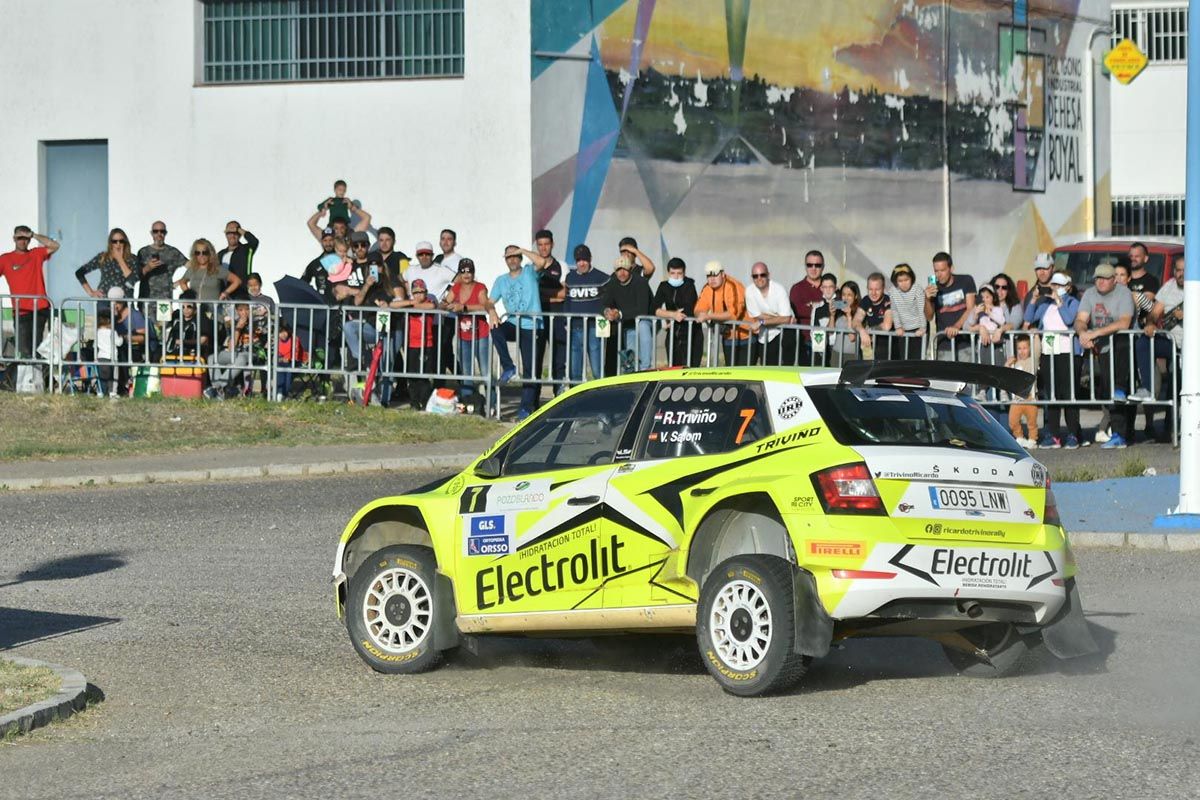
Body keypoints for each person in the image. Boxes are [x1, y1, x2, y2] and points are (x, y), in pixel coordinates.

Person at [1075, 263, 1135, 448]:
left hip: (1126, 346)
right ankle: (1119, 434)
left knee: (1123, 391)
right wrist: (1083, 333)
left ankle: (1124, 433)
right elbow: (1080, 320)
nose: (1100, 282)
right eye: (1097, 278)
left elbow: (1124, 323)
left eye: (1105, 278)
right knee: (1112, 393)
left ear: (1114, 280)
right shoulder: (1090, 294)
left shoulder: (1124, 293)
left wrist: (1094, 333)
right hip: (1104, 347)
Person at [489, 244, 545, 421]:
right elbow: (490, 301)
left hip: (532, 326)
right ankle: (508, 366)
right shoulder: (501, 280)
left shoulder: (529, 272)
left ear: (520, 258)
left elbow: (541, 261)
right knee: (495, 328)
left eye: (515, 256)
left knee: (530, 369)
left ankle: (525, 408)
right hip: (513, 323)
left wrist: (521, 250)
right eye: (509, 257)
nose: (512, 260)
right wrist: (491, 311)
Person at [1027, 271, 1082, 449]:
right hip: (1049, 352)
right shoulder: (1046, 305)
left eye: (1059, 286)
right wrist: (1034, 299)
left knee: (1069, 394)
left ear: (1068, 287)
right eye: (1053, 286)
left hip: (1068, 353)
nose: (1055, 289)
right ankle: (1054, 435)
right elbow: (1028, 319)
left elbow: (1068, 319)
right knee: (1052, 394)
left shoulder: (1074, 303)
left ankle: (1073, 434)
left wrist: (1059, 302)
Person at [1135, 255, 1184, 440]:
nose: (1181, 274)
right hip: (1172, 342)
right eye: (1178, 270)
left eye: (1184, 270)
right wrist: (1150, 324)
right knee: (1143, 342)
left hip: (1193, 347)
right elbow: (1154, 311)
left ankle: (1173, 428)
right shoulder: (1169, 287)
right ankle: (1147, 388)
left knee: (1178, 383)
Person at [0, 225, 59, 363]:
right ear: (14, 239)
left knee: (35, 349)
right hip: (21, 311)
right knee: (24, 350)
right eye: (20, 238)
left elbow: (55, 245)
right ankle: (27, 381)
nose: (23, 241)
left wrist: (33, 234)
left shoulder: (35, 254)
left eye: (25, 238)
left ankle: (37, 380)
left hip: (40, 308)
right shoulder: (5, 259)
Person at [441, 258, 492, 410]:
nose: (466, 274)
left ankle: (491, 404)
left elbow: (484, 306)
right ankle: (468, 404)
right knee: (466, 373)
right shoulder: (456, 287)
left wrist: (464, 307)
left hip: (480, 335)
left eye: (469, 270)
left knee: (484, 372)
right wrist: (446, 305)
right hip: (463, 336)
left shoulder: (480, 287)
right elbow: (443, 302)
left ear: (473, 272)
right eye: (463, 271)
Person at [600, 253, 655, 374]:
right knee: (631, 359)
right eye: (618, 270)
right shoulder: (613, 283)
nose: (621, 273)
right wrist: (607, 312)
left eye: (624, 269)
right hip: (627, 325)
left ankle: (646, 368)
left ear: (630, 269)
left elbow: (642, 310)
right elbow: (603, 303)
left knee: (642, 326)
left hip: (644, 321)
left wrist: (619, 314)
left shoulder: (640, 282)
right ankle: (633, 373)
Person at [565, 244, 610, 381]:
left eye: (584, 260)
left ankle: (600, 394)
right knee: (575, 369)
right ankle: (577, 396)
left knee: (597, 368)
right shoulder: (570, 277)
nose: (582, 263)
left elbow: (610, 300)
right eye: (578, 260)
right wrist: (566, 322)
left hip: (595, 327)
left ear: (590, 259)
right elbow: (567, 301)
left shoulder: (602, 278)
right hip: (575, 327)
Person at [694, 260, 749, 366]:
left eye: (715, 275)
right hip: (727, 336)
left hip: (746, 336)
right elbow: (698, 309)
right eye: (709, 276)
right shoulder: (707, 288)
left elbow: (733, 314)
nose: (712, 279)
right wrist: (701, 315)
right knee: (731, 373)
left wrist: (708, 316)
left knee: (745, 375)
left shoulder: (733, 285)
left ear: (723, 274)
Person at [652, 256, 701, 368]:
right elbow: (654, 309)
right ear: (668, 273)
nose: (676, 276)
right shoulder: (663, 286)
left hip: (691, 333)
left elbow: (688, 310)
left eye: (679, 273)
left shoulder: (689, 285)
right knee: (674, 368)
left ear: (684, 273)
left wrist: (668, 315)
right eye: (673, 273)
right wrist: (672, 315)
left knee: (690, 368)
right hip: (673, 333)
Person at [206, 302, 262, 399]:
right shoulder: (234, 323)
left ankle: (218, 387)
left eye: (247, 309)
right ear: (237, 311)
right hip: (235, 353)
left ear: (251, 309)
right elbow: (231, 347)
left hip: (252, 353)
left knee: (242, 358)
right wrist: (238, 329)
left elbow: (260, 343)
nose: (244, 313)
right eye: (241, 310)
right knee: (212, 357)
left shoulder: (257, 322)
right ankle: (218, 388)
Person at [927, 251, 975, 361]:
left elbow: (971, 308)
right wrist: (927, 299)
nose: (939, 274)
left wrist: (956, 326)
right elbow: (929, 316)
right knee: (945, 378)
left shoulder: (966, 280)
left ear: (951, 268)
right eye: (936, 271)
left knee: (967, 378)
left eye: (942, 270)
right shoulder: (934, 288)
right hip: (944, 345)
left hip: (966, 343)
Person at [744, 262, 793, 365]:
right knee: (767, 369)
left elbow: (786, 319)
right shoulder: (749, 291)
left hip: (785, 334)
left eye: (763, 275)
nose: (759, 278)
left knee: (785, 369)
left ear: (768, 275)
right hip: (765, 336)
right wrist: (779, 318)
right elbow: (757, 315)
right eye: (755, 276)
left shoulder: (779, 289)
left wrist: (762, 322)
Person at [401, 278, 438, 410]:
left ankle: (425, 401)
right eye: (416, 292)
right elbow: (392, 305)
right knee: (412, 374)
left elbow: (432, 307)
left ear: (426, 292)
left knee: (424, 375)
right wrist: (411, 303)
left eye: (421, 292)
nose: (418, 295)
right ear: (411, 293)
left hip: (426, 343)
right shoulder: (409, 302)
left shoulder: (429, 301)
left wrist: (412, 305)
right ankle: (414, 401)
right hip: (411, 343)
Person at [788, 250, 827, 364]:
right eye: (810, 265)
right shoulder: (797, 288)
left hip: (828, 341)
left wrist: (812, 306)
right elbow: (798, 310)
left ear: (823, 267)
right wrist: (823, 307)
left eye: (818, 265)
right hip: (805, 341)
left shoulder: (830, 287)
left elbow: (839, 306)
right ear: (805, 267)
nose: (813, 268)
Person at [136, 221, 187, 309]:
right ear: (151, 233)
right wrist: (147, 268)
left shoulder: (173, 252)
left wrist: (182, 281)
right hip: (146, 301)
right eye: (156, 231)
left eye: (162, 231)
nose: (159, 234)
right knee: (145, 323)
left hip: (165, 301)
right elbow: (135, 276)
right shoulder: (143, 252)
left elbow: (192, 266)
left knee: (164, 323)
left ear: (165, 233)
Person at [75, 228, 138, 298]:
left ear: (125, 242)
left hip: (125, 301)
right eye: (115, 241)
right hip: (105, 301)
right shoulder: (103, 257)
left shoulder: (132, 259)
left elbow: (132, 281)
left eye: (121, 241)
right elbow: (79, 273)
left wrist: (120, 259)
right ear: (110, 243)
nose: (118, 244)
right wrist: (91, 292)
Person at [176, 238, 240, 303]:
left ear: (210, 253)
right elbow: (182, 282)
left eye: (204, 252)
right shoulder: (192, 269)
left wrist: (225, 293)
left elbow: (237, 281)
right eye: (197, 253)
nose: (201, 255)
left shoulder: (217, 269)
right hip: (197, 310)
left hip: (212, 310)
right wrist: (189, 295)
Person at [886, 263, 929, 360]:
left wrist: (923, 328)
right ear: (896, 281)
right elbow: (895, 310)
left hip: (918, 327)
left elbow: (921, 309)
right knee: (904, 357)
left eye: (906, 280)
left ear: (911, 278)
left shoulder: (917, 289)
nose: (904, 283)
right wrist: (898, 327)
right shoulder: (893, 291)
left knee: (917, 358)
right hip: (903, 329)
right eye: (900, 281)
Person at [1005, 335, 1039, 448]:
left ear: (1029, 349)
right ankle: (1019, 437)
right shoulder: (1015, 363)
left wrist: (1036, 337)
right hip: (1017, 399)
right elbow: (1006, 375)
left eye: (1025, 348)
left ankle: (1033, 439)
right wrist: (1007, 364)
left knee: (1032, 422)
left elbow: (1037, 350)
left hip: (1030, 398)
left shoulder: (1032, 361)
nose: (1022, 351)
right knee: (1013, 421)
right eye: (1019, 348)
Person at [827, 281, 867, 366]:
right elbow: (830, 332)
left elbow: (852, 337)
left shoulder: (860, 313)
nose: (845, 298)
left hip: (851, 356)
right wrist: (832, 315)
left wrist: (849, 316)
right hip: (836, 353)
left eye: (849, 295)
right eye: (843, 294)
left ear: (855, 296)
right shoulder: (838, 311)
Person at [217, 221, 259, 300]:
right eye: (229, 233)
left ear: (239, 235)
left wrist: (238, 229)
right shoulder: (220, 254)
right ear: (226, 235)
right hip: (223, 294)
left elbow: (254, 241)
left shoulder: (246, 249)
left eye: (235, 233)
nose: (232, 235)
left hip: (241, 293)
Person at [969, 285, 1008, 370]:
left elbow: (1001, 321)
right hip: (984, 343)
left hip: (997, 343)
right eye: (982, 297)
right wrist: (975, 314)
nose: (984, 300)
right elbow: (971, 324)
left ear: (993, 298)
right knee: (985, 368)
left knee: (998, 368)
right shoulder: (979, 311)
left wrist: (990, 313)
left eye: (987, 297)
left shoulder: (998, 309)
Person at [164, 290, 210, 360]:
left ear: (195, 306)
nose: (185, 309)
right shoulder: (176, 315)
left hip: (192, 352)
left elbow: (203, 340)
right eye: (183, 307)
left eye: (189, 306)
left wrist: (184, 342)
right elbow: (164, 327)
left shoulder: (201, 318)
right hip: (172, 351)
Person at [860, 272, 893, 359]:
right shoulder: (865, 300)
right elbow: (856, 321)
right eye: (870, 289)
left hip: (889, 350)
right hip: (871, 350)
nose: (873, 293)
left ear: (883, 288)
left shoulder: (889, 300)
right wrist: (862, 331)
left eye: (877, 289)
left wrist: (870, 330)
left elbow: (887, 326)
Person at [92, 309, 123, 397]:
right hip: (112, 357)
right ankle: (112, 392)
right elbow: (119, 343)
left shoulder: (97, 332)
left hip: (101, 357)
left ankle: (101, 392)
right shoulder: (112, 332)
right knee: (113, 376)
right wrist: (121, 338)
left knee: (102, 376)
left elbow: (95, 345)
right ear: (109, 321)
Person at [276, 321, 308, 401]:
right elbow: (274, 354)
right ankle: (280, 392)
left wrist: (289, 358)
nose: (283, 334)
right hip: (280, 362)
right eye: (280, 332)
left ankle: (285, 392)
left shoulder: (294, 340)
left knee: (288, 369)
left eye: (285, 332)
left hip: (293, 362)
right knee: (280, 367)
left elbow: (297, 353)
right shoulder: (276, 341)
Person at [1022, 252, 1056, 319]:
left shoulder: (1064, 290)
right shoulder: (1031, 296)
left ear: (1053, 268)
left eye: (1045, 268)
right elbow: (1027, 324)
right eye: (1038, 268)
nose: (1042, 272)